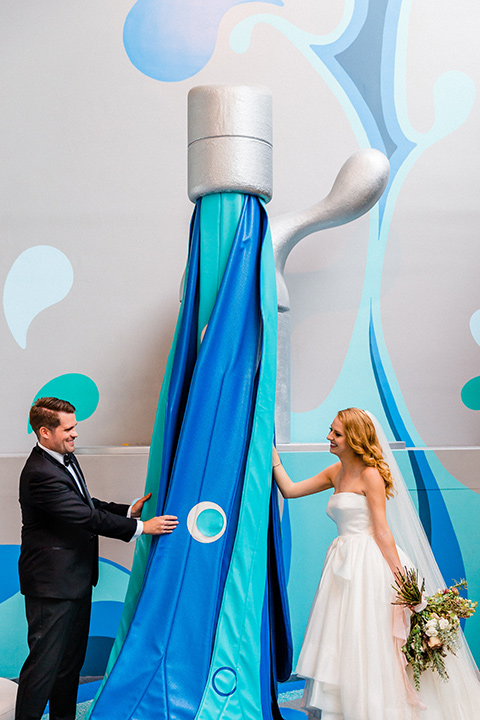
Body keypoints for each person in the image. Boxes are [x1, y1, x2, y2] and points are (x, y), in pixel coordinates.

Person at [273, 407, 480, 720]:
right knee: (346, 639)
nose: (329, 437)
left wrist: (405, 583)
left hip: (370, 567)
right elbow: (289, 490)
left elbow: (382, 531)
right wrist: (269, 453)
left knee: (372, 640)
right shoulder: (334, 472)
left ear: (355, 439)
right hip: (342, 565)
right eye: (330, 430)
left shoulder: (371, 475)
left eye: (337, 433)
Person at [15, 397, 179, 720]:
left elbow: (87, 504)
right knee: (43, 668)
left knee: (69, 665)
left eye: (75, 426)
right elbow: (84, 517)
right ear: (44, 432)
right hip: (52, 587)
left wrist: (126, 510)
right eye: (69, 428)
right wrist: (142, 527)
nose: (76, 434)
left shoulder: (65, 458)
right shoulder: (39, 473)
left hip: (75, 580)